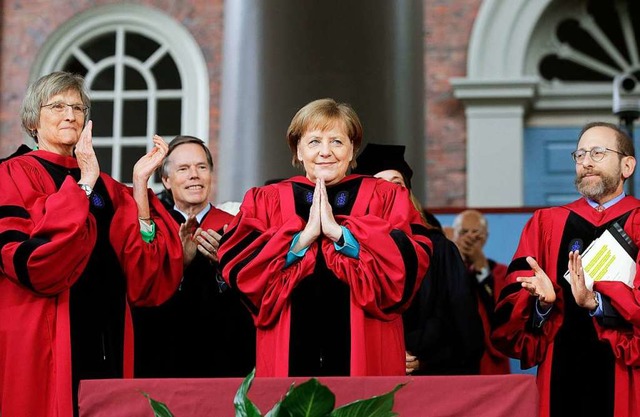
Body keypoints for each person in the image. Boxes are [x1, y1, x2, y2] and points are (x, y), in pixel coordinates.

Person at [0, 72, 183, 417]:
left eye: (77, 107)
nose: (70, 115)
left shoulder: (110, 187)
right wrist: (83, 183)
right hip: (42, 333)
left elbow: (145, 272)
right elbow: (38, 261)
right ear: (32, 119)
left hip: (107, 333)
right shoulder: (12, 174)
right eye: (57, 106)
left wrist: (140, 187)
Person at [218, 98, 431, 377]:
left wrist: (340, 235)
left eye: (337, 142)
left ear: (352, 148)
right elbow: (242, 270)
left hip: (367, 346)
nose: (325, 152)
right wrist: (302, 240)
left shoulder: (386, 196)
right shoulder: (266, 200)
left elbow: (408, 263)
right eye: (315, 141)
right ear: (298, 149)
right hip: (285, 346)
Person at [493, 121, 640, 417]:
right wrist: (542, 305)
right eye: (580, 154)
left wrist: (597, 304)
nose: (586, 162)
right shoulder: (546, 223)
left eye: (598, 152)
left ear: (627, 166)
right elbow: (514, 311)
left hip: (625, 370)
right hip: (561, 365)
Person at [353, 143, 484, 375]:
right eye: (378, 186)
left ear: (408, 193)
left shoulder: (440, 249)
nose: (390, 192)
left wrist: (421, 359)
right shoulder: (349, 250)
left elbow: (465, 329)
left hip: (430, 379)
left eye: (397, 184)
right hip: (368, 375)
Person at [132, 135, 255, 378]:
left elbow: (254, 299)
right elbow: (141, 297)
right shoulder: (155, 228)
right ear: (166, 180)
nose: (194, 175)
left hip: (226, 357)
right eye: (183, 169)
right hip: (166, 357)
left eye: (201, 167)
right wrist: (179, 264)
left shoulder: (236, 227)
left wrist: (225, 266)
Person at [452, 209, 511, 375]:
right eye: (463, 232)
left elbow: (503, 314)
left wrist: (480, 267)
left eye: (476, 233)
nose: (470, 238)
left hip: (489, 360)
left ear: (485, 237)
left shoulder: (500, 273)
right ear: (454, 236)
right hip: (454, 355)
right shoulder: (445, 271)